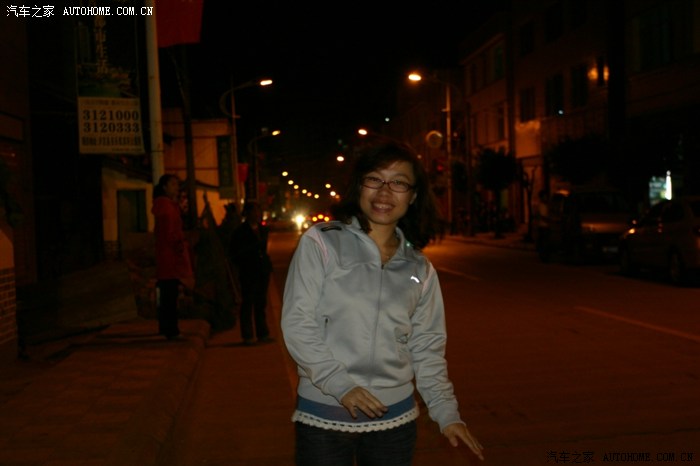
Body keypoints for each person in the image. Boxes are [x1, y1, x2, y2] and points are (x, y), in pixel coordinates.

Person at [280, 138, 484, 465]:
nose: (385, 192)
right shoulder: (321, 243)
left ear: (413, 196)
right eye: (375, 179)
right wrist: (340, 385)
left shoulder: (419, 267)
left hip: (395, 421)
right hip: (325, 416)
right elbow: (297, 322)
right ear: (359, 186)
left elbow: (427, 346)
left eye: (399, 183)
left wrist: (447, 413)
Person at [152, 174, 194, 339]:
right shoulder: (168, 208)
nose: (176, 187)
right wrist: (180, 248)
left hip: (165, 257)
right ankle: (171, 330)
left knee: (166, 294)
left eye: (177, 184)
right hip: (171, 258)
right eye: (173, 184)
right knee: (170, 295)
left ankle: (165, 327)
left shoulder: (163, 206)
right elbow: (171, 234)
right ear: (165, 187)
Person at [229, 200, 273, 345]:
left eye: (258, 211)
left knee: (261, 303)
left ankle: (263, 333)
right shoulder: (240, 232)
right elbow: (234, 253)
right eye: (254, 211)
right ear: (247, 213)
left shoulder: (263, 229)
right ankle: (247, 336)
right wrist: (245, 262)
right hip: (248, 271)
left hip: (262, 270)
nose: (257, 214)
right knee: (247, 302)